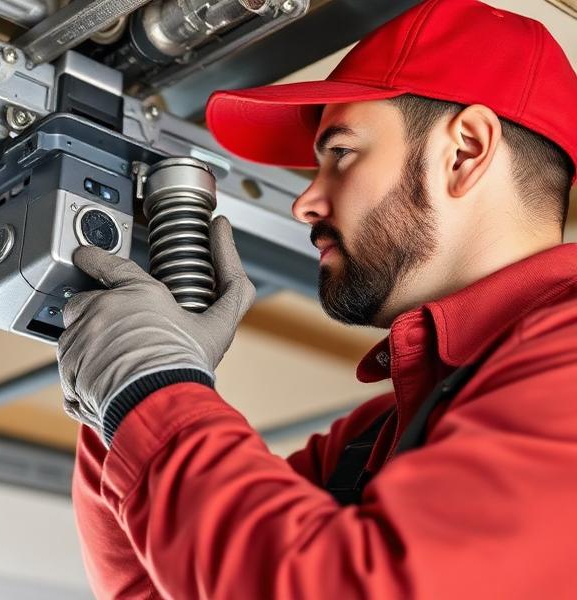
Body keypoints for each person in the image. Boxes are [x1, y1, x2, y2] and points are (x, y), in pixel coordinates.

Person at [56, 0, 577, 597]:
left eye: (341, 154)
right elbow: (161, 585)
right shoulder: (376, 435)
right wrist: (117, 403)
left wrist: (149, 385)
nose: (304, 203)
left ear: (465, 152)